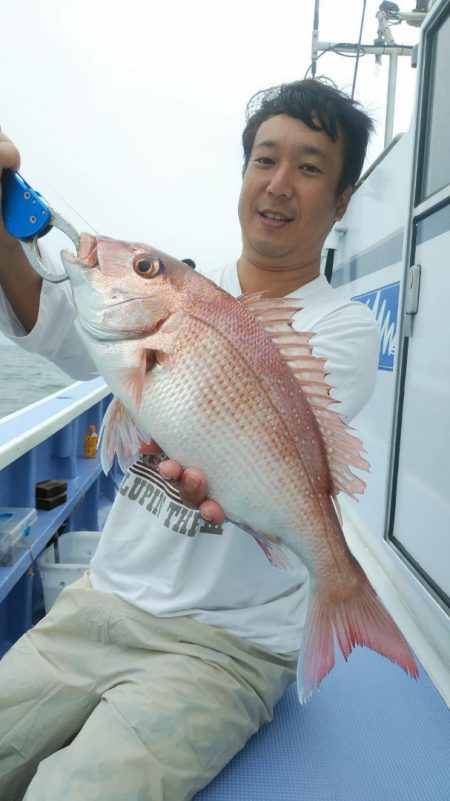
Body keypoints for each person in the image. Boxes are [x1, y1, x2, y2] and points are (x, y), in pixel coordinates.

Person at [0, 79, 379, 801]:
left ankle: (343, 593)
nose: (278, 183)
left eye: (309, 167)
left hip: (223, 644)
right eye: (264, 159)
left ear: (342, 201)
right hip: (99, 602)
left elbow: (263, 443)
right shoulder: (184, 296)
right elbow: (53, 324)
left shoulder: (342, 330)